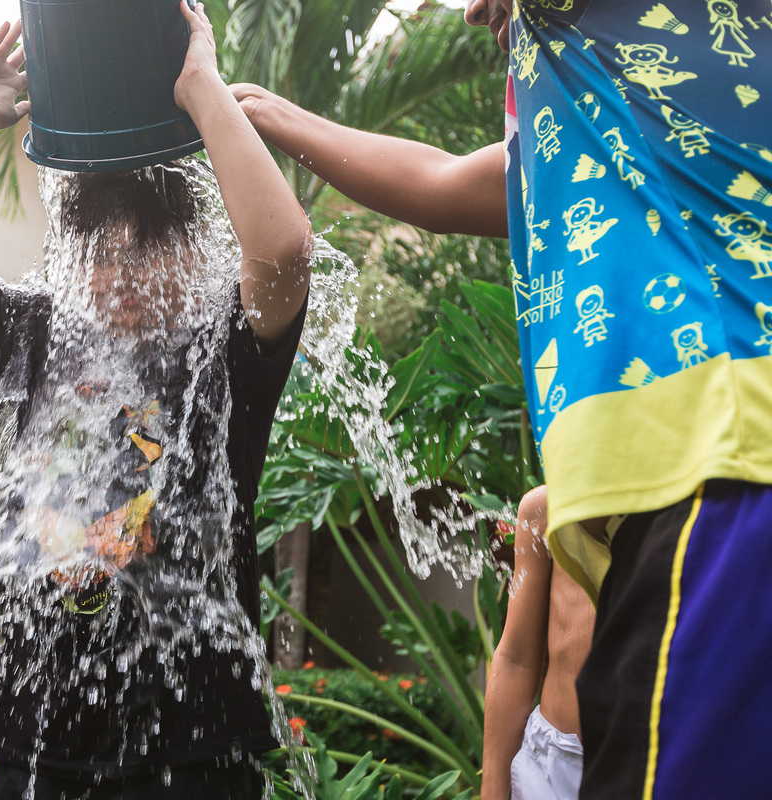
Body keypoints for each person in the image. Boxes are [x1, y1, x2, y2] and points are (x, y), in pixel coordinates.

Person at [235, 1, 772, 797]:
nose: (471, 19)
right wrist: (264, 112)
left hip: (713, 468)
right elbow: (438, 183)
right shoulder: (623, 112)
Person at [0, 2, 314, 797]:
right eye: (100, 254)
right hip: (39, 725)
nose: (119, 273)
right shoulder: (39, 333)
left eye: (145, 249)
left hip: (194, 737)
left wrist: (201, 88)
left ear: (195, 252)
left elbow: (284, 251)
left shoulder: (228, 348)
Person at [483, 486, 594, 800]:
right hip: (553, 769)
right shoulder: (548, 507)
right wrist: (491, 794)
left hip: (657, 764)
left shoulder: (693, 507)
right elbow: (516, 658)